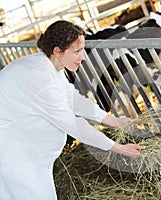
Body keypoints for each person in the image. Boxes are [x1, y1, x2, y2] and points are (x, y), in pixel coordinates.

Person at [0, 20, 145, 200]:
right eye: (77, 51)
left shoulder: (50, 67)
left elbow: (73, 100)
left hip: (22, 147)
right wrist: (120, 149)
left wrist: (114, 122)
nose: (83, 56)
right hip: (12, 152)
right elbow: (74, 124)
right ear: (58, 51)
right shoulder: (39, 78)